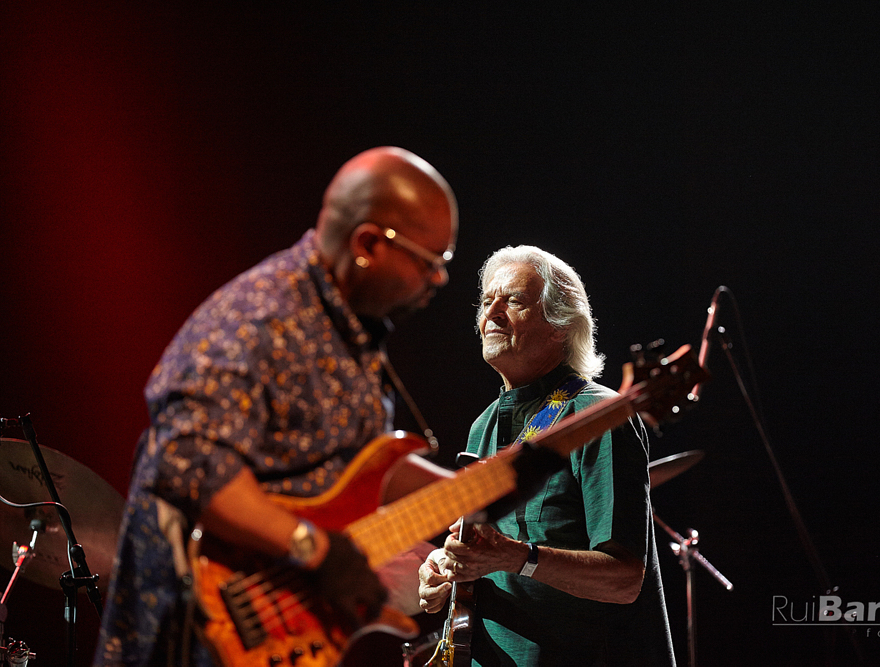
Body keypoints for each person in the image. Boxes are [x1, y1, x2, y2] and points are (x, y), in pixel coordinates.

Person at [94, 146, 458, 667]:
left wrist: (480, 492)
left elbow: (354, 469)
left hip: (280, 638)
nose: (440, 279)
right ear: (368, 244)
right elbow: (189, 465)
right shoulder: (260, 318)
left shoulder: (348, 331)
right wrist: (314, 548)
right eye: (431, 262)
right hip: (199, 638)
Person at [417, 246, 675, 666]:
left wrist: (518, 557)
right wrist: (446, 568)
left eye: (514, 300)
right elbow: (485, 552)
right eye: (486, 301)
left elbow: (625, 579)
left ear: (560, 326)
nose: (492, 313)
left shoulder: (597, 415)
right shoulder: (482, 427)